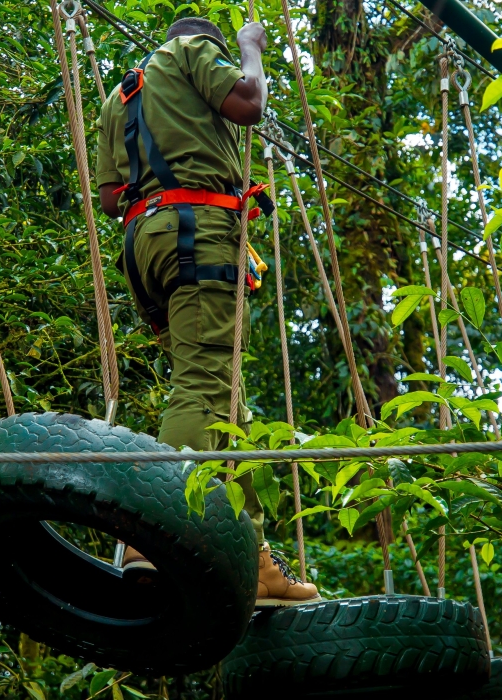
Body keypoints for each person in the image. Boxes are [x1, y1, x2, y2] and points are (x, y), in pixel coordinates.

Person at [95, 16, 318, 607]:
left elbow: (111, 197)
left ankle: (256, 559)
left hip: (146, 246)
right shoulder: (194, 50)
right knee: (202, 387)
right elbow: (247, 104)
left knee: (226, 400)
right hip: (197, 235)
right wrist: (248, 49)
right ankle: (151, 534)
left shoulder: (123, 94)